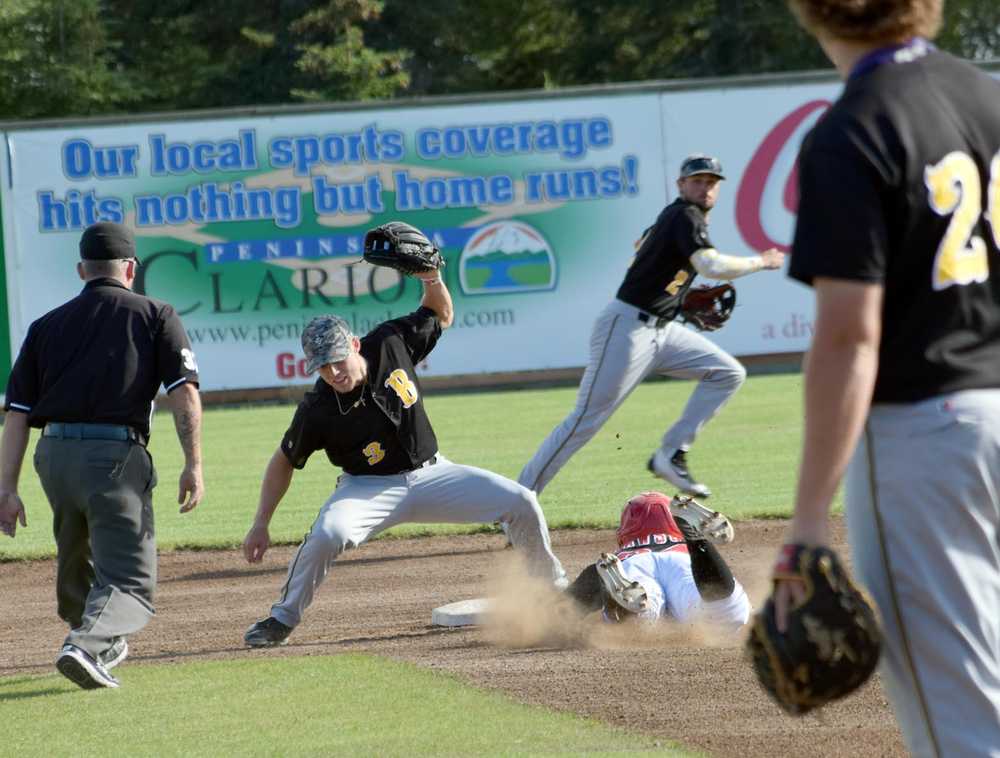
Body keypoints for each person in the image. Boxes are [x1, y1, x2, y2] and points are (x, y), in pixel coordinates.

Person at [773, 1, 1000, 754]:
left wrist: (807, 525)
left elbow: (848, 337)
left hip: (926, 441)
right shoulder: (987, 97)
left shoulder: (855, 128)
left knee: (961, 720)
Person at [241, 230, 567, 648]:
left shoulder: (391, 342)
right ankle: (281, 620)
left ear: (355, 345)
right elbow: (283, 460)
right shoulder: (317, 408)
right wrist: (261, 523)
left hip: (434, 475)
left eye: (338, 360)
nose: (334, 372)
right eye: (323, 367)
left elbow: (440, 315)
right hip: (368, 488)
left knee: (522, 502)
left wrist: (431, 279)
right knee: (328, 535)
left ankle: (556, 592)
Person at [0, 221, 204, 690]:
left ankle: (87, 632)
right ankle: (87, 645)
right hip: (113, 457)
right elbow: (184, 395)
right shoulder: (156, 314)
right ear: (131, 268)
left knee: (75, 553)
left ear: (81, 270)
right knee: (131, 580)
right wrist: (194, 464)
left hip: (52, 457)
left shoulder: (44, 326)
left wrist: (7, 489)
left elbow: (16, 415)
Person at [518, 154, 785, 500]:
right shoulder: (684, 215)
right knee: (586, 420)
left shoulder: (676, 219)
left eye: (711, 182)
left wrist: (674, 296)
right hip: (628, 327)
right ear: (681, 185)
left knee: (727, 373)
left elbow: (641, 247)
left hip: (662, 328)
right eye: (698, 180)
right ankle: (518, 499)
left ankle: (671, 454)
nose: (705, 187)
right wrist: (760, 261)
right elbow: (710, 265)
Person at [566, 491, 750, 631]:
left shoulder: (623, 556)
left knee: (638, 624)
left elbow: (562, 610)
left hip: (632, 566)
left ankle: (617, 602)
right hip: (683, 558)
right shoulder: (681, 549)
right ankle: (698, 542)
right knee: (723, 615)